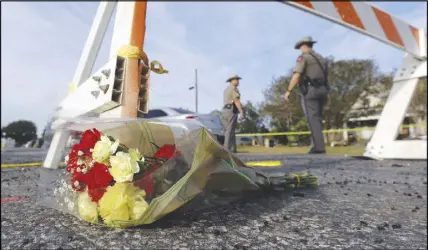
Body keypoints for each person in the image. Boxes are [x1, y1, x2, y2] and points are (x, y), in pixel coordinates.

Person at [284, 36, 329, 154]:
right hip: (323, 90)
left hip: (311, 90)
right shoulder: (322, 59)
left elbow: (297, 75)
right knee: (318, 118)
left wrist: (289, 90)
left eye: (300, 47)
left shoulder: (303, 58)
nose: (300, 50)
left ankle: (318, 147)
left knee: (312, 118)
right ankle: (318, 145)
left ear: (304, 46)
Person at [222, 74, 245, 153]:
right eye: (236, 79)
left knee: (229, 130)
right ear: (232, 81)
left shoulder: (226, 90)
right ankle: (226, 149)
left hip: (225, 110)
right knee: (230, 130)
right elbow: (236, 101)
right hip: (231, 110)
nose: (238, 81)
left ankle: (233, 149)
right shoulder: (233, 89)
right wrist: (241, 111)